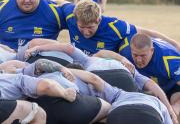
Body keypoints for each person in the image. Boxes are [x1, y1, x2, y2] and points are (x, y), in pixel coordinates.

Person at [21, 38, 177, 121]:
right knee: (135, 103)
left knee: (112, 106)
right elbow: (152, 86)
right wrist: (169, 109)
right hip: (126, 81)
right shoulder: (125, 65)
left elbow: (66, 48)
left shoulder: (88, 59)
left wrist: (38, 48)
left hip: (101, 80)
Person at [59, 0, 180, 56]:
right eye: (81, 27)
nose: (85, 32)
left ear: (98, 20)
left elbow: (145, 31)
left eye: (90, 27)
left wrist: (174, 44)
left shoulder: (115, 26)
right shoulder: (71, 15)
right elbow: (60, 2)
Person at [0, 0, 66, 49]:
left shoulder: (55, 10)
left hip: (41, 56)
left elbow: (78, 26)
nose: (27, 0)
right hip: (6, 56)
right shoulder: (2, 8)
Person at [127, 33, 180, 116]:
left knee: (174, 111)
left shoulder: (170, 61)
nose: (139, 60)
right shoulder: (124, 53)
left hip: (173, 87)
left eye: (143, 56)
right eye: (135, 55)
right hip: (152, 88)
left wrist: (175, 108)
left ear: (152, 50)